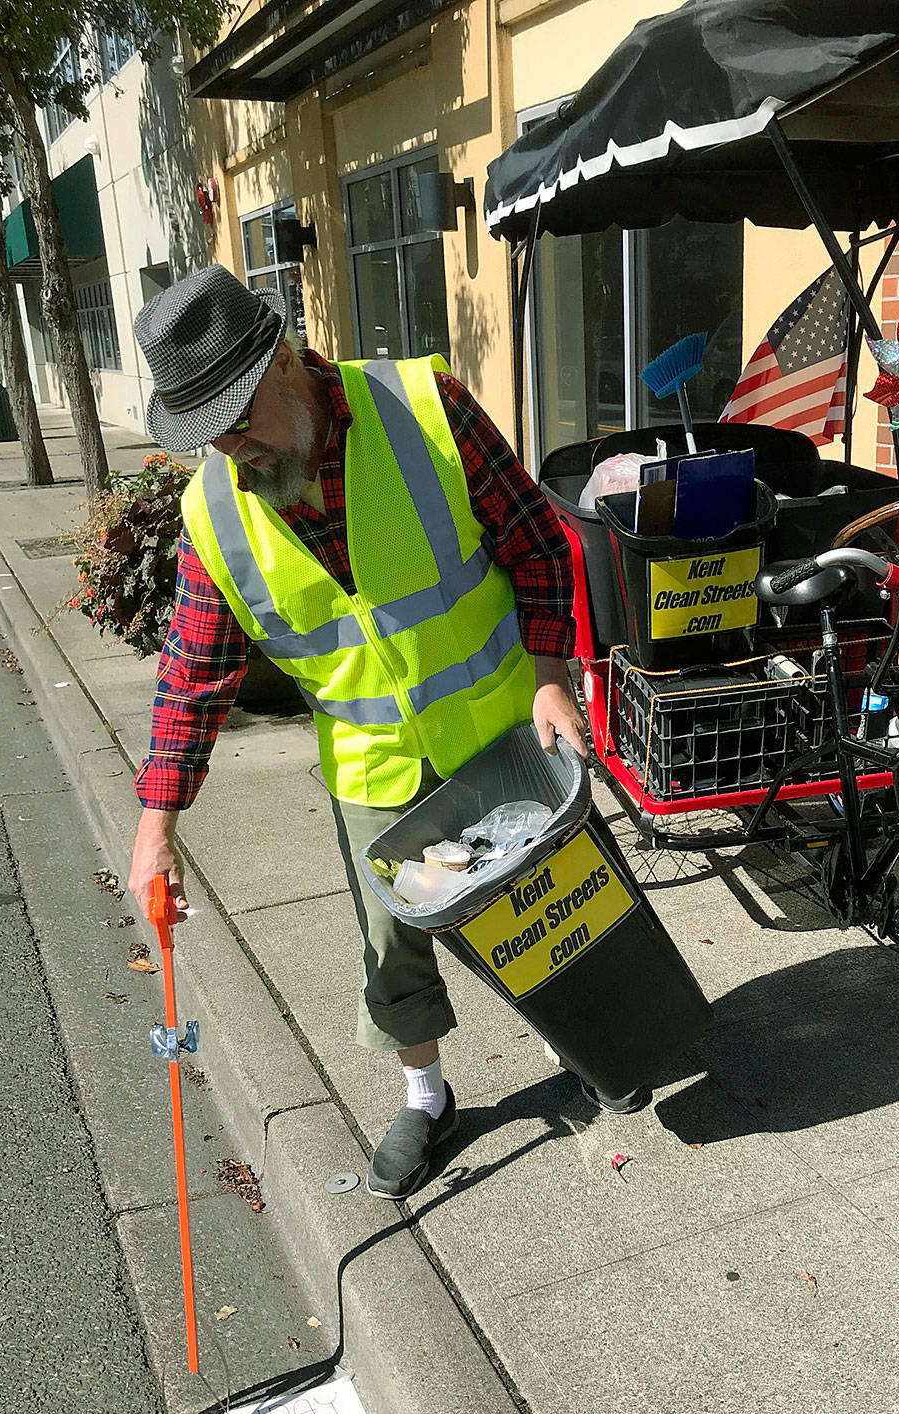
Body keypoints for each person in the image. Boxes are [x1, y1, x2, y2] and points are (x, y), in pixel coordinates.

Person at [128, 265, 587, 1197]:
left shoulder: (424, 406)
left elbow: (538, 539)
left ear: (284, 359)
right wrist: (155, 823)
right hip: (374, 765)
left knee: (560, 905)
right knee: (391, 948)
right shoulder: (214, 510)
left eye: (238, 413)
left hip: (501, 725)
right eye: (207, 431)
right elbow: (193, 678)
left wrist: (551, 677)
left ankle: (598, 1037)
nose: (234, 446)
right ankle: (427, 1099)